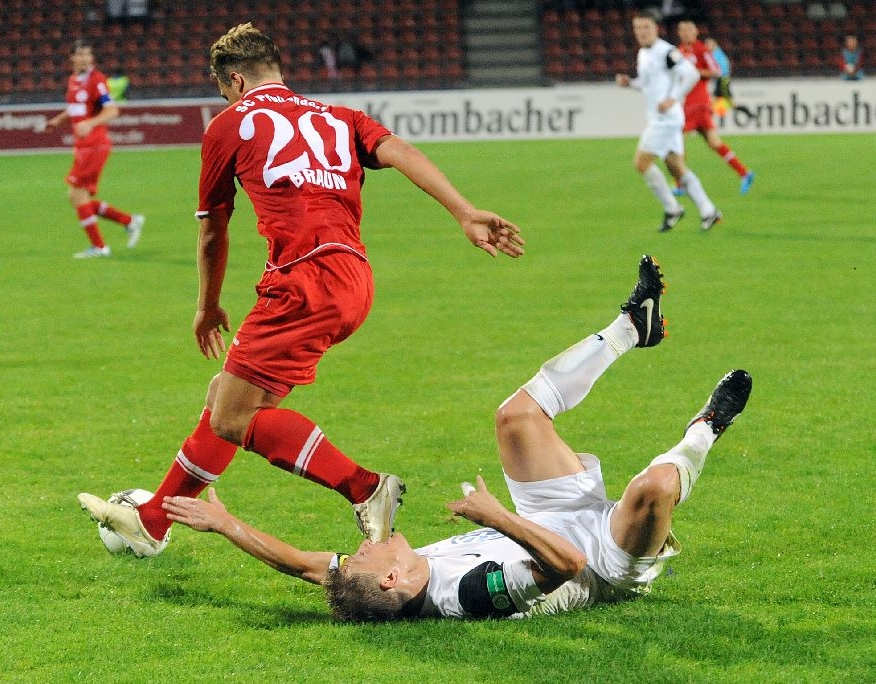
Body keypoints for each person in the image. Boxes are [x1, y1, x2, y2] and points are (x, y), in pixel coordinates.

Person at [78, 23, 524, 555]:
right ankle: (153, 520)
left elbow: (213, 230)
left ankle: (366, 488)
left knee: (232, 417)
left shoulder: (228, 125)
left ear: (235, 80)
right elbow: (400, 151)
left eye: (224, 91)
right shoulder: (340, 117)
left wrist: (208, 305)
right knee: (226, 396)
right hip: (354, 278)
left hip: (302, 281)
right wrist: (464, 211)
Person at [160, 255, 753, 621]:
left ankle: (630, 328)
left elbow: (303, 566)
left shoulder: (380, 582)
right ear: (392, 579)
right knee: (654, 489)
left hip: (547, 516)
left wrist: (228, 526)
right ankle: (706, 429)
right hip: (602, 559)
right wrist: (498, 518)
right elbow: (567, 565)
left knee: (514, 418)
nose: (361, 546)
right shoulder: (469, 593)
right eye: (365, 554)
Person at [616, 10, 722, 232]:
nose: (642, 32)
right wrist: (630, 83)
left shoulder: (666, 52)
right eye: (638, 28)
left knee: (641, 163)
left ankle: (672, 208)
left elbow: (692, 74)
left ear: (656, 28)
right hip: (663, 118)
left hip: (665, 120)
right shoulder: (643, 53)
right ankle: (708, 211)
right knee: (676, 167)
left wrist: (673, 98)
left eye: (646, 27)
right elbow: (647, 84)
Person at [45, 39, 144, 259]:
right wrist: (57, 121)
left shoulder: (97, 80)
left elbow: (112, 110)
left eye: (87, 54)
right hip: (83, 146)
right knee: (77, 197)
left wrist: (90, 123)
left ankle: (99, 246)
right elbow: (75, 109)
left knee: (76, 194)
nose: (84, 58)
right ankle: (129, 221)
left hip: (95, 145)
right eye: (80, 54)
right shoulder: (73, 80)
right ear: (72, 58)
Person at [676, 21, 754, 196]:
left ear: (696, 32)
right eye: (682, 30)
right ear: (678, 33)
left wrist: (696, 72)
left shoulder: (701, 50)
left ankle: (680, 184)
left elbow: (717, 71)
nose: (686, 32)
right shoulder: (679, 51)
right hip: (688, 102)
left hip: (698, 103)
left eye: (689, 29)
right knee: (714, 142)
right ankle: (744, 173)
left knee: (676, 141)